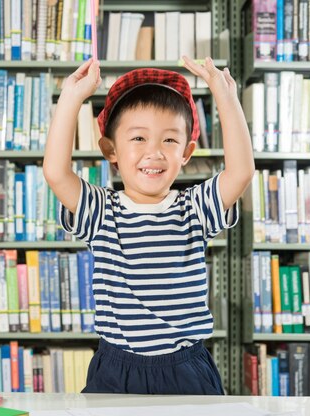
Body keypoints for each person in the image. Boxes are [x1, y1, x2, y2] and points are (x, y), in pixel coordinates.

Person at [42, 57, 255, 395]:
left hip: (186, 368)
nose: (154, 152)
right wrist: (70, 98)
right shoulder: (101, 211)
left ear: (187, 152)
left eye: (169, 141)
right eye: (138, 138)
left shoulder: (195, 208)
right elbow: (56, 173)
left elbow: (241, 172)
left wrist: (225, 97)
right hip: (116, 368)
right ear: (110, 149)